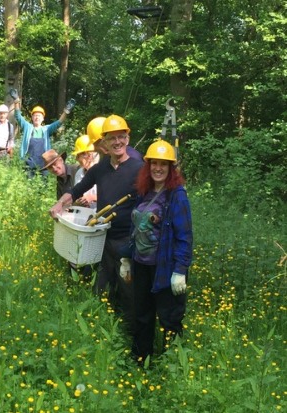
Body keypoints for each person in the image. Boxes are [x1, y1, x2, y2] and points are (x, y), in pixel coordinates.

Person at [49, 114, 144, 330]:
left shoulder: (138, 169)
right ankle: (100, 329)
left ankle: (130, 333)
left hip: (128, 241)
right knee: (101, 289)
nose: (117, 142)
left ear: (127, 139)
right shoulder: (99, 169)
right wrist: (59, 205)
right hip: (103, 238)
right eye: (112, 139)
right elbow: (75, 191)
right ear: (105, 143)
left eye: (121, 137)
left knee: (128, 291)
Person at [126, 139, 193, 364]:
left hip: (165, 268)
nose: (158, 168)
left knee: (169, 318)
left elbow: (185, 236)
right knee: (142, 316)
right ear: (148, 165)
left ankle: (171, 365)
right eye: (154, 163)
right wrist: (127, 257)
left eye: (163, 164)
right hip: (141, 264)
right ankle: (140, 359)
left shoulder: (177, 196)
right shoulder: (142, 191)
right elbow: (133, 227)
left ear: (170, 168)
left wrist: (180, 270)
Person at [10, 88, 74, 178]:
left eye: (39, 116)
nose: (37, 117)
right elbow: (18, 116)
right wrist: (16, 101)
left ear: (43, 118)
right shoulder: (27, 127)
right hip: (29, 164)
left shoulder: (47, 129)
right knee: (29, 186)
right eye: (35, 115)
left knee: (43, 187)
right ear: (32, 117)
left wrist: (66, 111)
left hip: (44, 164)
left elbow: (59, 122)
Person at [71, 134, 99, 210]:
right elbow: (77, 194)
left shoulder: (103, 170)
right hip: (85, 216)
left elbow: (114, 196)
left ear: (88, 155)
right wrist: (78, 202)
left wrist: (92, 198)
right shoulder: (79, 173)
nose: (77, 159)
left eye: (78, 155)